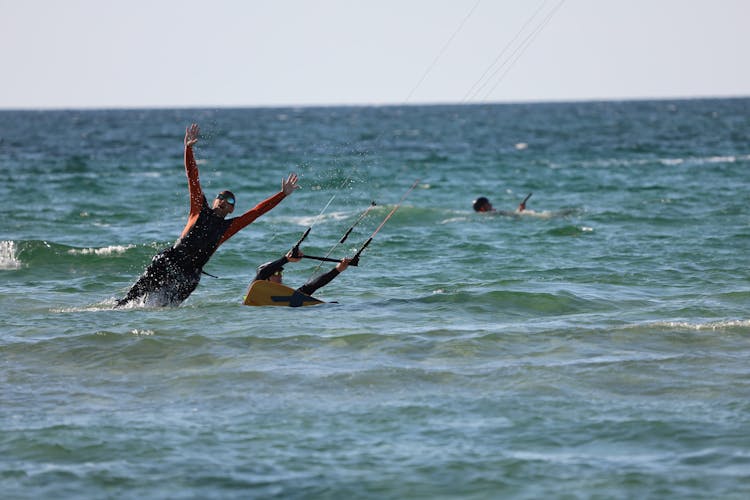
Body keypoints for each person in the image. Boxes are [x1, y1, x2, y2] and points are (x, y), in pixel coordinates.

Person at [116, 123, 299, 307]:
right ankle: (120, 306)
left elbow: (257, 211)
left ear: (231, 210)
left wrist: (282, 194)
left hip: (190, 275)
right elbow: (192, 177)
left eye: (230, 200)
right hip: (171, 261)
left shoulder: (228, 227)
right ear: (214, 201)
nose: (223, 200)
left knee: (164, 309)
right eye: (220, 196)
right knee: (132, 297)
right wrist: (188, 149)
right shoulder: (198, 210)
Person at [250, 248, 352, 298]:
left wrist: (338, 270)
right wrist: (286, 259)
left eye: (280, 273)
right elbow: (263, 273)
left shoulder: (286, 297)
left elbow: (311, 286)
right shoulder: (254, 289)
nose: (280, 276)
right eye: (276, 274)